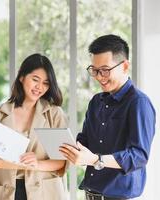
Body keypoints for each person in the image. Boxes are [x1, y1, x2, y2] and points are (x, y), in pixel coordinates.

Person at [60, 34, 156, 200]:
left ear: (125, 66)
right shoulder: (96, 102)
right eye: (95, 70)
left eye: (105, 70)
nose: (98, 77)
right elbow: (85, 142)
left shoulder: (138, 103)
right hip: (90, 194)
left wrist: (96, 160)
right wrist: (69, 148)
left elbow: (139, 156)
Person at [0, 53, 69, 200]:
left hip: (44, 192)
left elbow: (61, 162)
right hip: (8, 192)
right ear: (21, 77)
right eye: (35, 79)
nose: (39, 87)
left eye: (46, 83)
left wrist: (36, 163)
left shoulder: (54, 114)